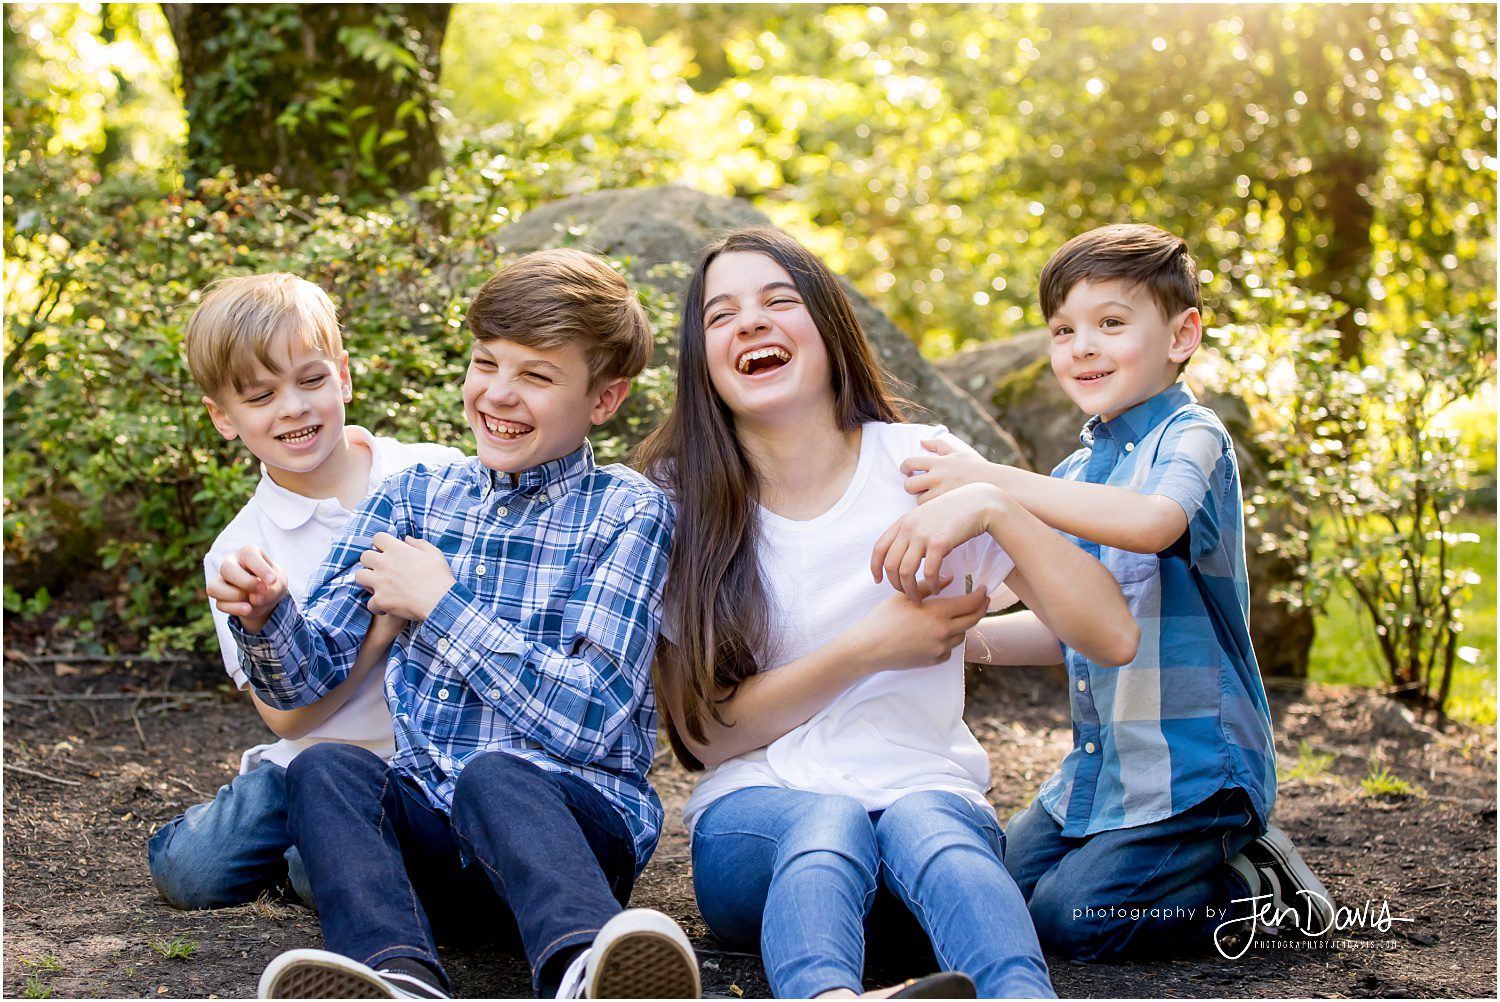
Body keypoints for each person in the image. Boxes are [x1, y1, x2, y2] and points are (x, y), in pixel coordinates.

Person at [637, 227, 1139, 999]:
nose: (751, 323)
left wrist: (993, 504)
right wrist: (870, 647)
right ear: (702, 362)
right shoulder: (675, 501)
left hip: (921, 822)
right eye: (720, 315)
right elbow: (706, 735)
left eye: (779, 301)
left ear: (830, 328)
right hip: (757, 834)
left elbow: (1108, 634)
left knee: (932, 823)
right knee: (827, 818)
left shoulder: (920, 464)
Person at [213, 250, 699, 1000]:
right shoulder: (415, 497)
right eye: (485, 363)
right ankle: (398, 976)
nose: (499, 394)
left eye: (536, 375)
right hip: (439, 843)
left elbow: (590, 717)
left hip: (571, 834)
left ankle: (584, 967)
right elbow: (316, 672)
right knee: (325, 768)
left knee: (495, 774)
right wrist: (268, 617)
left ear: (604, 400)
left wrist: (444, 605)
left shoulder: (627, 510)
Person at [888, 222, 1334, 961]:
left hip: (1198, 771)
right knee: (994, 895)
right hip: (1106, 773)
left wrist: (990, 480)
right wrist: (959, 640)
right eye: (1064, 330)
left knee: (1074, 918)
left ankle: (1255, 891)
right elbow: (1070, 624)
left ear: (1182, 335)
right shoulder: (1072, 476)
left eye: (1111, 323)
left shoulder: (1193, 437)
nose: (1082, 346)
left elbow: (1152, 523)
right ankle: (1154, 872)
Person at [148, 272, 463, 911]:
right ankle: (267, 834)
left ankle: (313, 858)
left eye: (311, 380)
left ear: (343, 376)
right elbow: (287, 717)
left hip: (434, 761)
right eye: (260, 395)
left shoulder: (436, 476)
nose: (293, 407)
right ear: (222, 417)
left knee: (328, 874)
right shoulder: (242, 553)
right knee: (192, 873)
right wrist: (382, 628)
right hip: (309, 759)